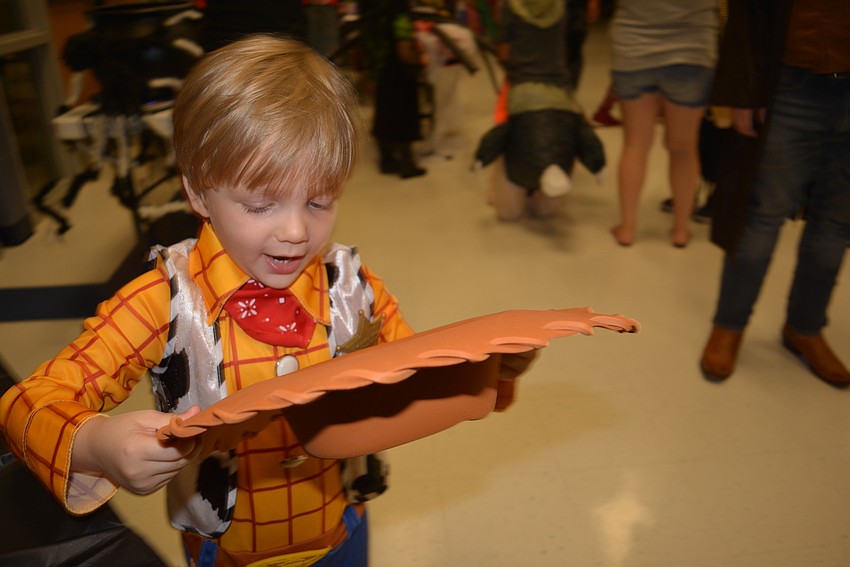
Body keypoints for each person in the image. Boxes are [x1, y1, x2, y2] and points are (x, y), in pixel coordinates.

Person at [0, 36, 533, 566]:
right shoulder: (162, 300)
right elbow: (27, 401)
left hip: (342, 527)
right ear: (198, 192)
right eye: (260, 204)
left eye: (320, 201)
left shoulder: (351, 283)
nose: (297, 232)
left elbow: (415, 371)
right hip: (229, 550)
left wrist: (489, 369)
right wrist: (95, 443)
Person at [699, 0, 850, 387]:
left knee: (836, 224)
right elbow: (747, 11)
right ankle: (729, 324)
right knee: (763, 214)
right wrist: (744, 90)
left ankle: (805, 327)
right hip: (791, 82)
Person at [608, 0, 718, 247]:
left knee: (635, 145)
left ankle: (628, 228)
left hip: (633, 46)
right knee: (684, 147)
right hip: (692, 50)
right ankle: (680, 230)